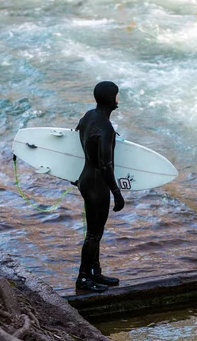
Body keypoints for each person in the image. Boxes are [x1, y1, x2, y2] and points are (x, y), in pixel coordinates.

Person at [74, 81, 125, 292]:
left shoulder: (88, 116)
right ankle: (83, 278)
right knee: (94, 234)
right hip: (97, 184)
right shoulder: (106, 128)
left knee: (96, 232)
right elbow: (105, 164)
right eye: (117, 95)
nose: (118, 99)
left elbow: (75, 136)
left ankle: (96, 272)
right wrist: (116, 192)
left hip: (86, 178)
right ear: (111, 99)